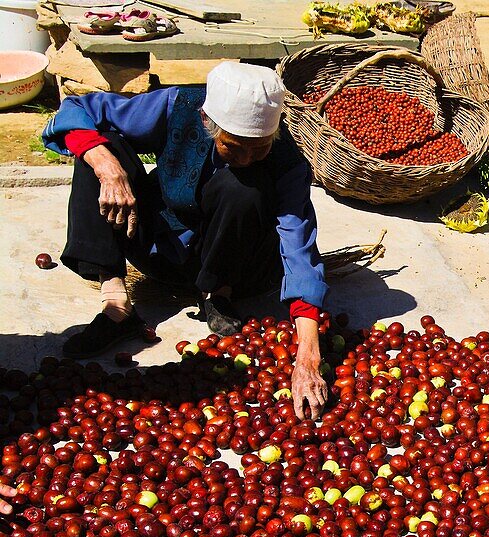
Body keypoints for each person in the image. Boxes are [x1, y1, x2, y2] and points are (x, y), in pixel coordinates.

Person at [41, 62, 328, 419]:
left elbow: (299, 244)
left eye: (259, 148)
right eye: (233, 148)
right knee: (100, 146)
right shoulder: (177, 107)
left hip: (238, 262)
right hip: (159, 242)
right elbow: (77, 109)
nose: (246, 158)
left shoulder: (287, 162)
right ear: (208, 123)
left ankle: (217, 295)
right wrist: (105, 164)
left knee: (244, 186)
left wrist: (308, 357)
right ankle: (115, 303)